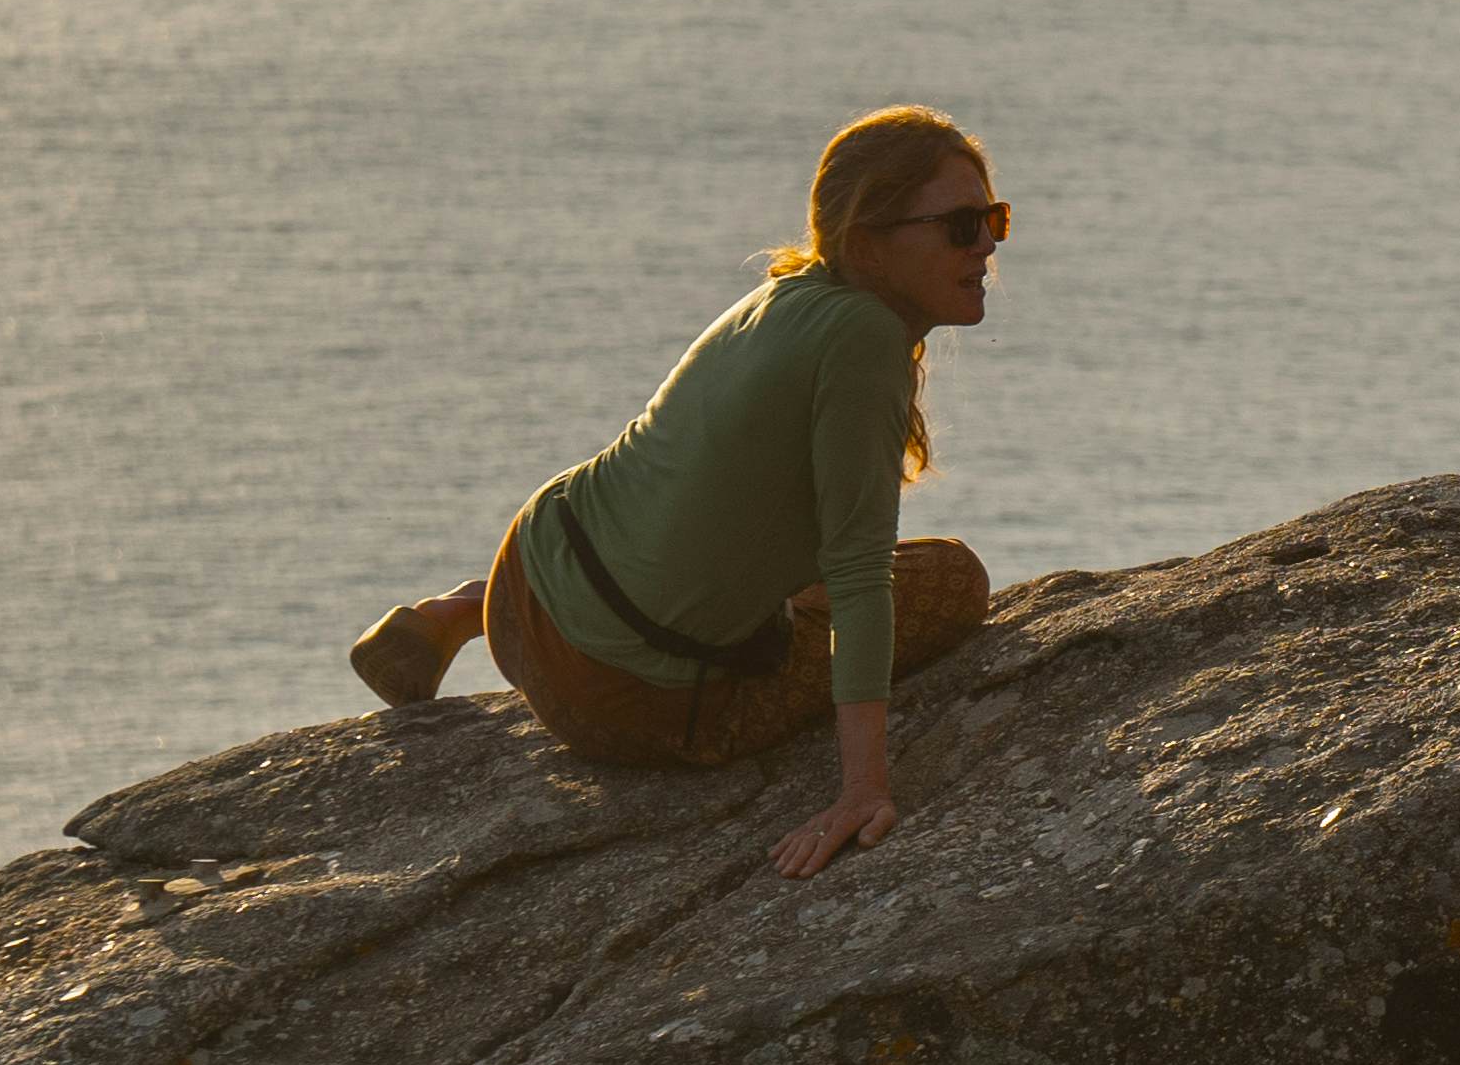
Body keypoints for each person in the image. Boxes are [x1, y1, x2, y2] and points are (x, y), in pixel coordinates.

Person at [346, 106, 1005, 881]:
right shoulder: (862, 339)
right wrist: (863, 789)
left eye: (993, 218)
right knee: (951, 578)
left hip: (530, 582)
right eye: (962, 225)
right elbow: (860, 575)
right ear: (869, 243)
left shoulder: (785, 292)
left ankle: (459, 611)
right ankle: (468, 611)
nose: (988, 244)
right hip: (621, 702)